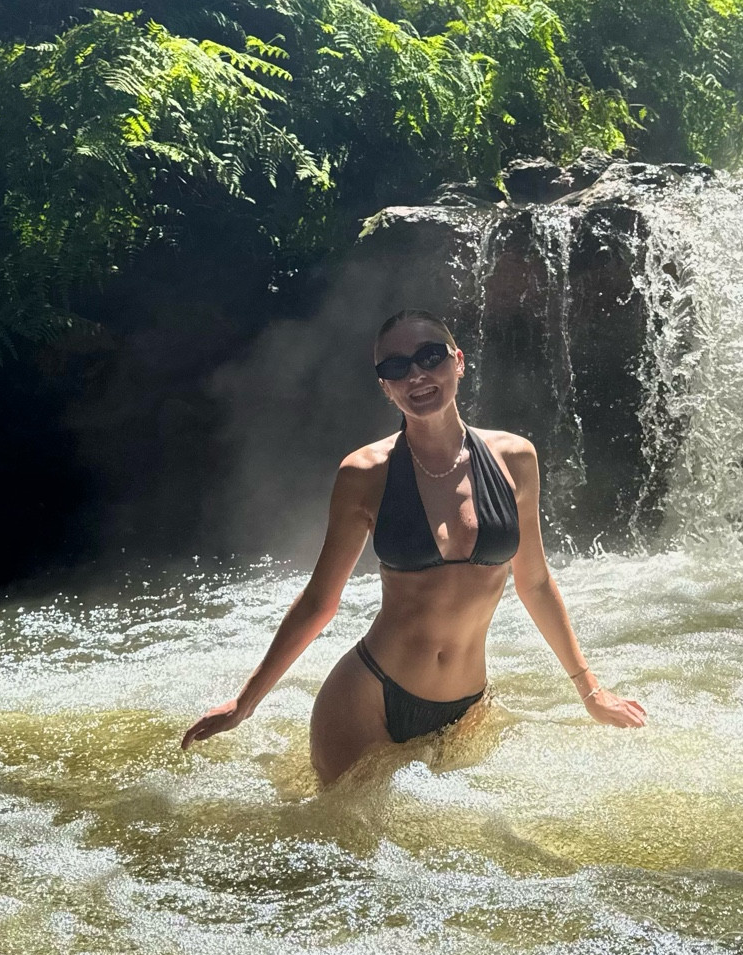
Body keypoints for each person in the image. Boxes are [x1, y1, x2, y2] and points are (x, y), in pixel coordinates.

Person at [181, 308, 647, 781]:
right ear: (385, 385)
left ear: (458, 361)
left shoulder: (515, 458)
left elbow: (536, 583)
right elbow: (320, 601)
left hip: (468, 709)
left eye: (429, 356)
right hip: (369, 701)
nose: (417, 375)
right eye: (396, 367)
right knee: (348, 851)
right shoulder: (364, 474)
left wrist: (590, 692)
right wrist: (247, 701)